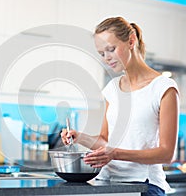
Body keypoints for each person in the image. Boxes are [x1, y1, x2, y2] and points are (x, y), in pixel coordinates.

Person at [61, 16, 179, 196]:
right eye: (102, 53)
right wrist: (80, 137)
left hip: (145, 186)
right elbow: (105, 140)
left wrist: (115, 154)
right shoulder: (112, 89)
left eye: (111, 49)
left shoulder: (163, 88)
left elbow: (166, 154)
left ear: (131, 41)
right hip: (109, 184)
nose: (106, 58)